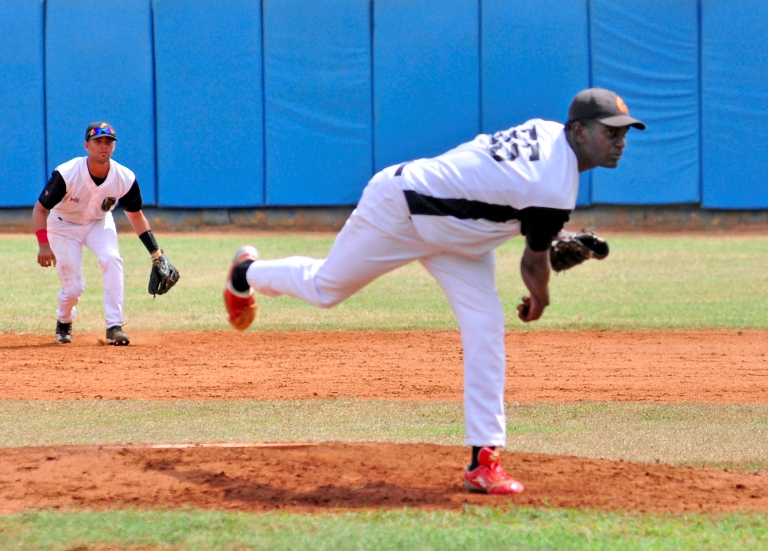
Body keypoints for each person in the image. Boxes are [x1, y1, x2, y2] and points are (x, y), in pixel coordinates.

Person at [223, 88, 645, 494]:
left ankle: (484, 460)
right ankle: (246, 274)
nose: (620, 142)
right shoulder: (554, 182)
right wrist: (542, 295)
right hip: (402, 210)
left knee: (485, 329)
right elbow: (532, 262)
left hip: (463, 238)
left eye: (624, 133)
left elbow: (505, 195)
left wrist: (550, 235)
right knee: (326, 287)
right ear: (578, 131)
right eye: (611, 131)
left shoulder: (549, 136)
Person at [34, 122, 176, 346]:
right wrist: (44, 244)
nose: (103, 146)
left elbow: (136, 216)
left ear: (114, 147)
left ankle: (114, 326)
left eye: (108, 142)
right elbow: (40, 209)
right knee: (73, 288)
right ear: (86, 145)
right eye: (98, 141)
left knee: (112, 259)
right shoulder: (68, 173)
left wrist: (155, 253)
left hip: (98, 223)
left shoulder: (124, 178)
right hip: (63, 226)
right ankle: (64, 320)